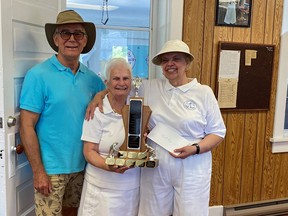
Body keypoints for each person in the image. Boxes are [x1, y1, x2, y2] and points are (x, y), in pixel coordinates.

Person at [86, 39, 226, 216]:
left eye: (176, 59)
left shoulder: (203, 92)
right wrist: (99, 96)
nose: (170, 64)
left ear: (187, 63)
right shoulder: (150, 87)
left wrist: (195, 148)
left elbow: (218, 132)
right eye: (165, 60)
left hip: (192, 166)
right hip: (156, 166)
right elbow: (120, 85)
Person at [19, 10, 105, 216]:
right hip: (50, 170)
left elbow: (112, 97)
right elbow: (26, 125)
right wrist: (38, 171)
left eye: (78, 34)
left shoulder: (93, 79)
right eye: (65, 33)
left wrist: (100, 95)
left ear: (85, 41)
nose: (72, 39)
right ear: (56, 39)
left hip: (84, 167)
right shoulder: (38, 76)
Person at [78, 58, 140, 216]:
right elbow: (89, 151)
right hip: (100, 188)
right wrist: (109, 166)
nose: (121, 83)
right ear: (107, 82)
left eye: (126, 78)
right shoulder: (96, 111)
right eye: (116, 78)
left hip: (130, 187)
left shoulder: (137, 106)